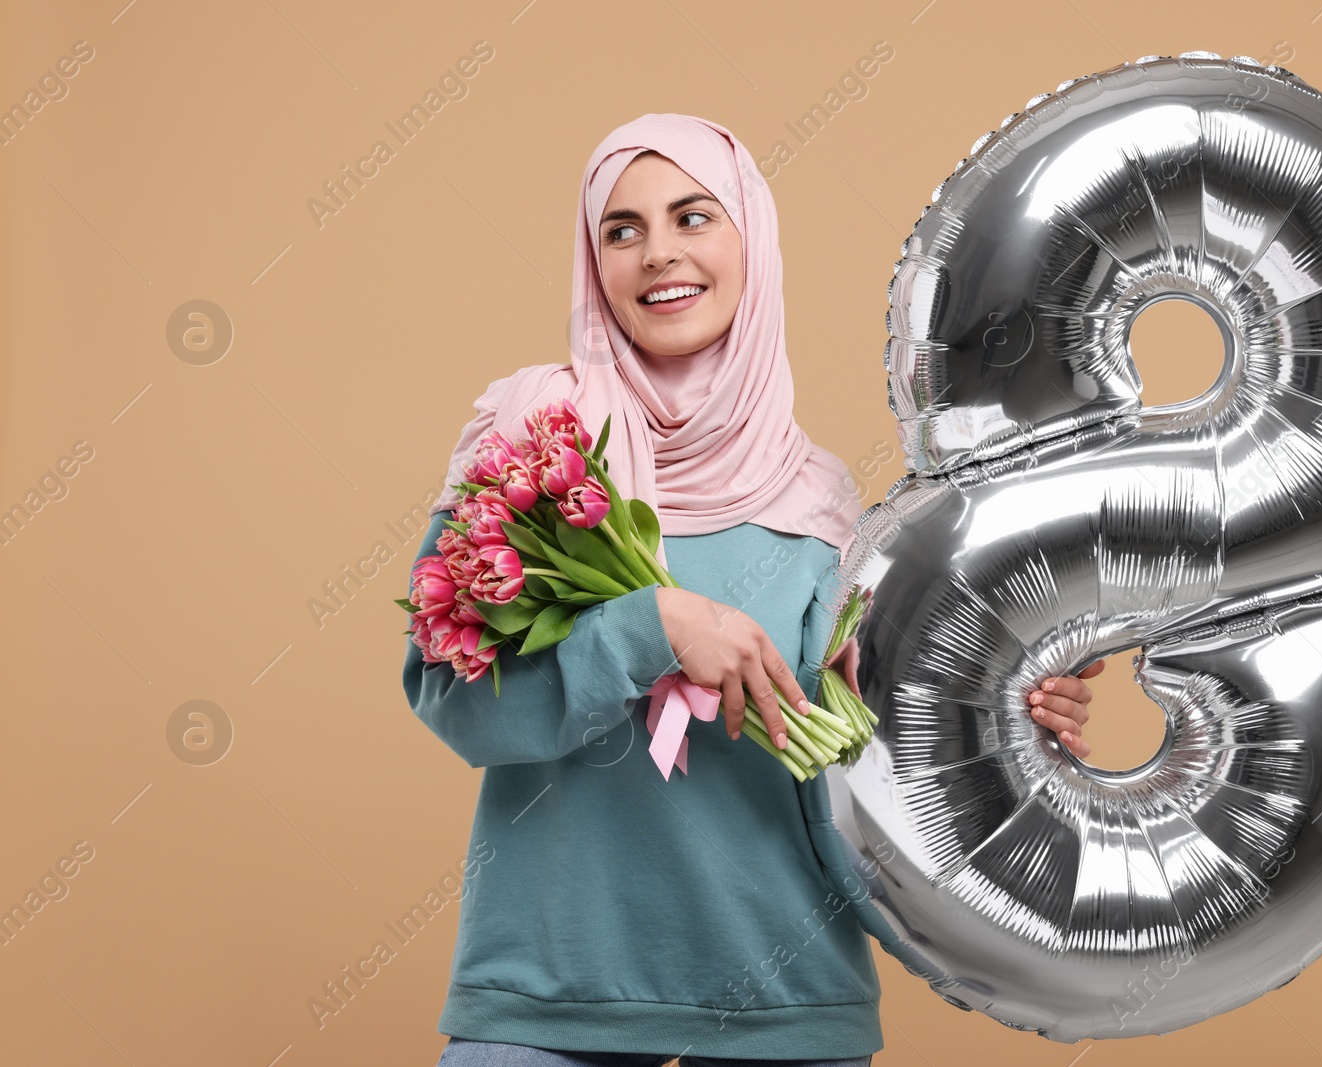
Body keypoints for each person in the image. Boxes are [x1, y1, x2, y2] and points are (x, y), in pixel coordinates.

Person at [402, 113, 1101, 1067]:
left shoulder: (821, 503)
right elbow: (455, 703)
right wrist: (650, 624)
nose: (659, 254)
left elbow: (869, 754)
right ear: (593, 262)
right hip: (549, 995)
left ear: (750, 241)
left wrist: (1003, 703)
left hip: (786, 996)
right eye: (623, 229)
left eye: (694, 218)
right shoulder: (527, 443)